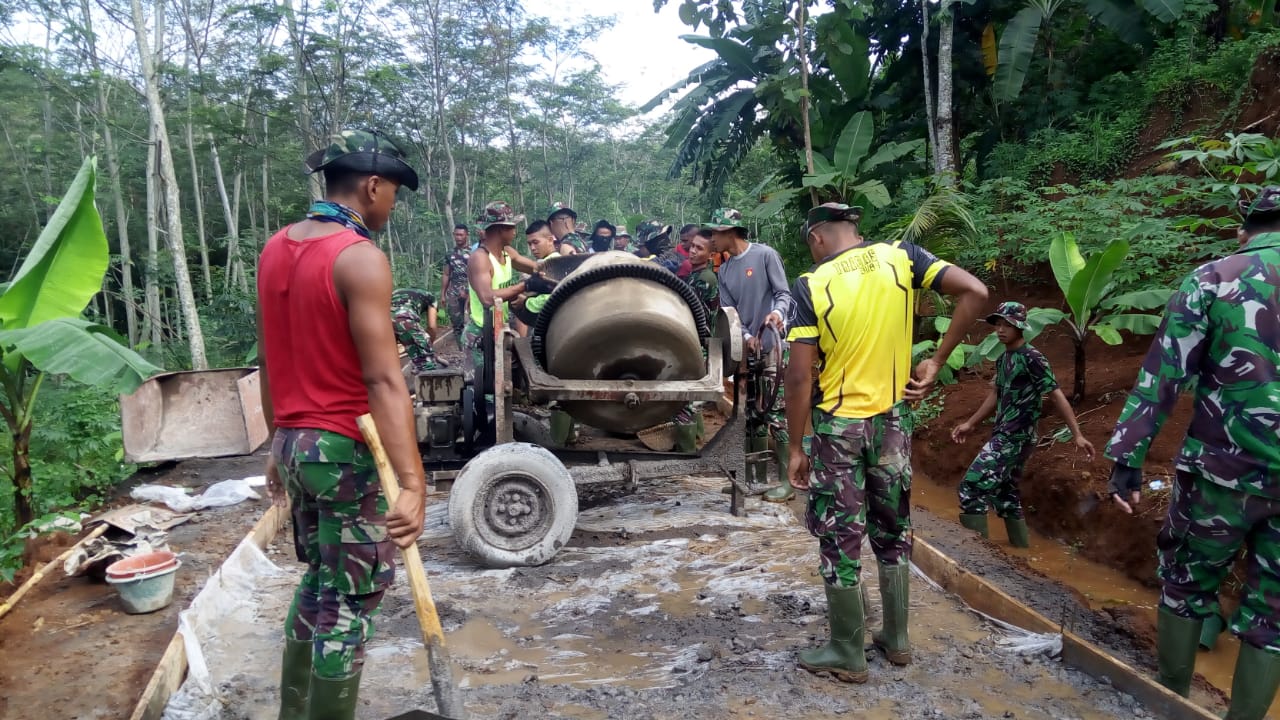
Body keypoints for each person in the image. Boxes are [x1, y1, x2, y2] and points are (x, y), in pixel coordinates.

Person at [257, 129, 427, 720]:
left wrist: (276, 446)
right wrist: (412, 481)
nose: (392, 207)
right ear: (371, 186)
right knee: (352, 601)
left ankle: (293, 712)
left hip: (295, 444)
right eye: (394, 195)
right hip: (343, 450)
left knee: (319, 582)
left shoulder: (276, 247)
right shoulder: (359, 258)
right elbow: (383, 380)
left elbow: (268, 357)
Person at [784, 203, 987, 683]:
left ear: (817, 238)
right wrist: (936, 361)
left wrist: (796, 446)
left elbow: (798, 376)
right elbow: (976, 292)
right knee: (893, 528)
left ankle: (846, 652)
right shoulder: (903, 257)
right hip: (894, 423)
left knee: (841, 535)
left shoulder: (812, 284)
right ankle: (896, 640)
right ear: (853, 229)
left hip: (839, 428)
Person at [1103, 187, 1280, 718]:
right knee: (1273, 617)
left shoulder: (1215, 278)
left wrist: (1127, 458)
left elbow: (1163, 378)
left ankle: (1171, 704)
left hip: (1221, 476)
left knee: (1185, 586)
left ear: (1246, 229)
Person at [950, 302, 1094, 547]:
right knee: (1006, 493)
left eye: (1008, 325)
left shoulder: (1032, 358)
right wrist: (970, 423)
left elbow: (1056, 394)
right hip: (1005, 433)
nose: (1001, 330)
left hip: (1016, 436)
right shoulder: (1005, 358)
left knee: (971, 487)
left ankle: (976, 557)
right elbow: (996, 395)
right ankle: (1020, 552)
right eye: (999, 324)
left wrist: (1077, 434)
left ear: (1020, 328)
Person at [705, 207, 794, 503]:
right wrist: (744, 337)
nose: (712, 239)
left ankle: (786, 481)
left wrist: (777, 314)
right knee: (751, 415)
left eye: (715, 233)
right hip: (748, 351)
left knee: (776, 414)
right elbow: (730, 313)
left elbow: (784, 293)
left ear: (730, 232)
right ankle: (752, 477)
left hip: (773, 348)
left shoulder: (765, 255)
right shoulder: (726, 270)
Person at [463, 202, 552, 390]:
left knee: (499, 388)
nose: (514, 232)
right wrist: (525, 285)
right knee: (483, 393)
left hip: (498, 329)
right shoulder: (480, 258)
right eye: (512, 227)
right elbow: (487, 298)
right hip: (480, 333)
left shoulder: (507, 252)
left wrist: (550, 272)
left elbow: (533, 266)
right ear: (500, 229)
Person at [671, 231, 721, 452]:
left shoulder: (704, 279)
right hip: (695, 341)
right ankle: (698, 438)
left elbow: (695, 315)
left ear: (711, 255)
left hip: (698, 343)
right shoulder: (694, 275)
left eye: (699, 248)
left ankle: (687, 450)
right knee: (692, 397)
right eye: (692, 246)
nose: (692, 251)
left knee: (684, 398)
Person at [390, 288, 443, 374]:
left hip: (384, 322)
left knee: (388, 360)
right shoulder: (431, 298)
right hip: (405, 319)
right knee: (427, 364)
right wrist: (428, 345)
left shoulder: (395, 292)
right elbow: (432, 326)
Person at [439, 224, 471, 328]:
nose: (458, 237)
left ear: (467, 235)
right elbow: (446, 274)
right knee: (457, 324)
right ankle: (460, 344)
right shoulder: (450, 253)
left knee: (471, 322)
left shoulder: (474, 251)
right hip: (454, 292)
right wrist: (443, 294)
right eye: (456, 235)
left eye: (461, 235)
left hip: (471, 291)